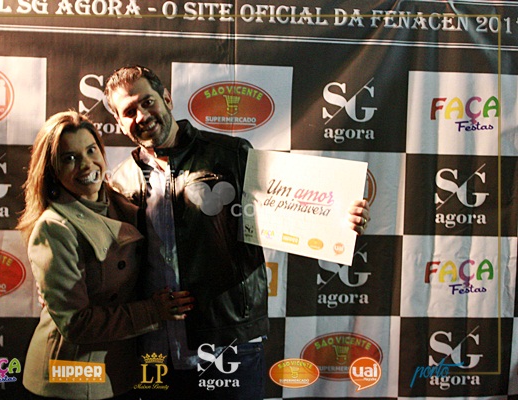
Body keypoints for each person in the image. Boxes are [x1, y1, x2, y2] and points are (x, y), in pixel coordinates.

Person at [104, 65, 371, 399]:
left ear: (167, 99)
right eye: (129, 111)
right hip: (155, 348)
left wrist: (341, 220)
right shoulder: (120, 180)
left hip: (228, 341)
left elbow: (295, 211)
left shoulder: (231, 154)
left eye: (147, 102)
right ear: (119, 122)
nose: (142, 116)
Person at [17, 111, 194, 400]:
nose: (86, 164)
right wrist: (153, 311)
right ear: (52, 170)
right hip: (71, 376)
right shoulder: (54, 228)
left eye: (91, 150)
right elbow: (76, 323)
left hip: (119, 370)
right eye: (69, 158)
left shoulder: (121, 202)